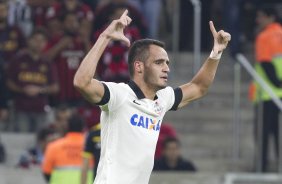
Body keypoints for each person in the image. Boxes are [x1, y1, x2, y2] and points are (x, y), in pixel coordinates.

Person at [74, 10, 231, 184]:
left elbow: (199, 87)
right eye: (159, 62)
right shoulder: (119, 95)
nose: (166, 68)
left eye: (167, 63)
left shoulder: (162, 99)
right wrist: (105, 36)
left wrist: (215, 53)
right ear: (139, 67)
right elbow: (82, 82)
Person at [251, 6, 282, 172]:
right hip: (279, 95)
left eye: (261, 16)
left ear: (270, 17)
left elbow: (265, 63)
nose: (258, 20)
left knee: (263, 135)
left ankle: (261, 168)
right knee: (279, 135)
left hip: (267, 93)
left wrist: (278, 83)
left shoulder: (265, 36)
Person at [42, 114, 92, 184]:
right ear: (83, 127)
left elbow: (46, 172)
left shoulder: (53, 146)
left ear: (67, 127)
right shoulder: (91, 146)